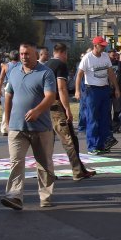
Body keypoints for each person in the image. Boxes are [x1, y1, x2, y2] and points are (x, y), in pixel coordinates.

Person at [1, 42, 58, 210]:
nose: (24, 57)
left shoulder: (45, 73)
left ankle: (45, 196)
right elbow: (9, 95)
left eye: (27, 54)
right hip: (17, 127)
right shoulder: (13, 71)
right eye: (21, 53)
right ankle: (14, 196)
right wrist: (7, 119)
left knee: (44, 164)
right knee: (16, 162)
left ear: (35, 54)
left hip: (41, 128)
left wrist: (37, 111)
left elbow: (50, 96)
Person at [45, 43, 95, 181]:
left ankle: (49, 172)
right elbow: (61, 88)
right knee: (69, 140)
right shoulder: (60, 65)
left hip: (45, 106)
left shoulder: (46, 64)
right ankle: (77, 171)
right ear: (64, 53)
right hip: (56, 105)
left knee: (49, 142)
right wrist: (67, 109)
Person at [74, 36, 121, 154]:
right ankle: (92, 146)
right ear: (95, 45)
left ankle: (102, 144)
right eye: (102, 45)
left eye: (105, 45)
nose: (104, 47)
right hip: (92, 90)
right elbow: (79, 75)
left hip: (104, 89)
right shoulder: (87, 58)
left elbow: (110, 73)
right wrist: (77, 91)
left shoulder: (105, 57)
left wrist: (116, 88)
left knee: (104, 117)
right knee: (92, 118)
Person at [0, 50, 21, 136]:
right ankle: (16, 126)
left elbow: (1, 79)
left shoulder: (6, 66)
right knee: (17, 108)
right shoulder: (21, 65)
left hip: (7, 86)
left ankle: (4, 128)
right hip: (18, 87)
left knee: (5, 109)